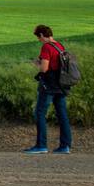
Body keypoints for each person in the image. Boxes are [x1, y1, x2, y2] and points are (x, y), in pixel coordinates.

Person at [24, 24, 72, 154]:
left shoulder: (46, 47)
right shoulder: (59, 45)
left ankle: (41, 145)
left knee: (39, 113)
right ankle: (65, 146)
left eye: (38, 38)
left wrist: (37, 65)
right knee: (62, 115)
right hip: (61, 85)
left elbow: (44, 68)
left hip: (49, 85)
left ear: (41, 35)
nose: (38, 40)